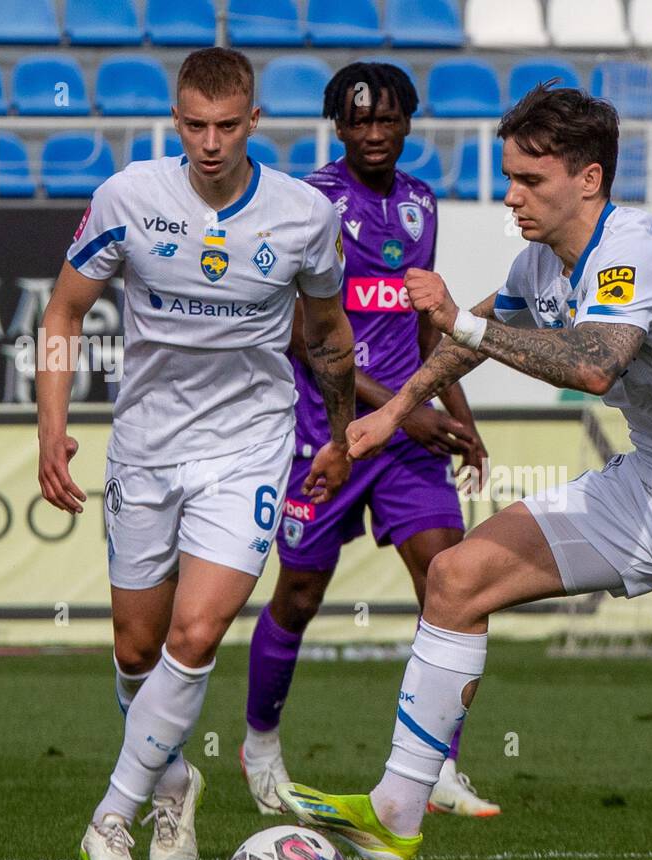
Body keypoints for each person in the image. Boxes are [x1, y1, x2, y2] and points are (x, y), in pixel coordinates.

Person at [276, 84, 652, 860]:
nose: (510, 197)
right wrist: (392, 414)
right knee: (457, 577)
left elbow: (593, 365)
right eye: (507, 177)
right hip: (651, 486)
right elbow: (479, 331)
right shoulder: (543, 258)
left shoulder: (633, 250)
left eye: (529, 180)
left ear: (589, 177)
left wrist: (453, 315)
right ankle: (396, 810)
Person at [37, 47, 356, 860]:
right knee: (137, 648)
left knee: (199, 629)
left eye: (226, 125)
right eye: (194, 125)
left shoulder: (303, 216)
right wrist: (51, 429)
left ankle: (112, 815)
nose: (210, 142)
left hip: (248, 447)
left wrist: (339, 432)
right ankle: (174, 781)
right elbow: (65, 311)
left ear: (254, 121)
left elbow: (327, 336)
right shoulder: (128, 197)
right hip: (146, 445)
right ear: (175, 122)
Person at [241, 62, 499, 819]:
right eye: (358, 122)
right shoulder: (311, 203)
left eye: (387, 120)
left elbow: (424, 320)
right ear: (337, 126)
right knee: (298, 593)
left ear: (408, 124)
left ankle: (436, 767)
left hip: (410, 437)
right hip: (326, 430)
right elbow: (299, 330)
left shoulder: (421, 203)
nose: (374, 134)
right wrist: (397, 411)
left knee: (452, 581)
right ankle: (260, 747)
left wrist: (459, 410)